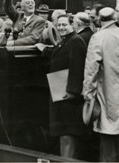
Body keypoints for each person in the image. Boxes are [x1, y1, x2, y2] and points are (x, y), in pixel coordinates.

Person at [83, 7, 119, 162]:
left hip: (106, 89)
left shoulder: (98, 37)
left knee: (107, 133)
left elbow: (91, 68)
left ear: (100, 19)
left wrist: (87, 92)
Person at [36, 15, 87, 159]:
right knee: (64, 133)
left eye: (64, 25)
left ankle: (67, 160)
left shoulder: (76, 41)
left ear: (73, 25)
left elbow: (77, 67)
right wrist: (45, 50)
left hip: (68, 96)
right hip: (62, 92)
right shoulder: (67, 40)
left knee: (68, 134)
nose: (60, 28)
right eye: (58, 25)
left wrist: (72, 92)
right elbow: (60, 56)